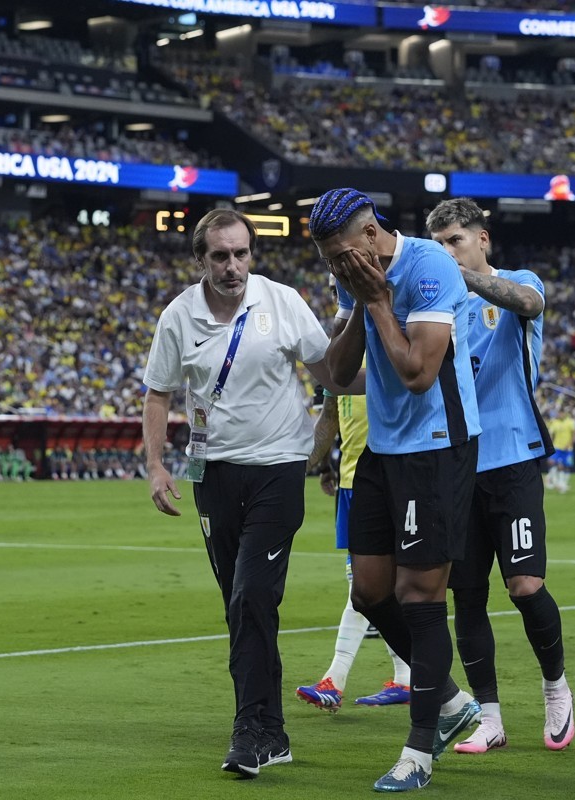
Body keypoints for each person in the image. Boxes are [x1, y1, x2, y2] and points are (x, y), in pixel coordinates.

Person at [142, 208, 347, 780]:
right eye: (220, 256)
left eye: (241, 253)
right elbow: (158, 394)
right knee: (244, 610)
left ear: (251, 253)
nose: (233, 266)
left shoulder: (281, 302)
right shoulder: (179, 316)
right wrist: (157, 465)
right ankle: (271, 731)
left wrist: (391, 367)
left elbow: (329, 373)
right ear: (201, 259)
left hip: (279, 469)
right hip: (213, 475)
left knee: (251, 595)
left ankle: (248, 732)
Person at [311, 187, 481, 793]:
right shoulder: (351, 276)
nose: (335, 266)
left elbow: (416, 374)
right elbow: (336, 374)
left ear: (370, 232)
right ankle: (454, 701)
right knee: (369, 592)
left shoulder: (431, 266)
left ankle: (419, 749)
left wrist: (380, 299)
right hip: (384, 449)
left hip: (439, 445)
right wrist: (359, 300)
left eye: (340, 254)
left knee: (419, 595)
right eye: (329, 260)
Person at [426, 198, 574, 755]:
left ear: (481, 239)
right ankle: (489, 716)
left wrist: (464, 279)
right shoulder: (434, 304)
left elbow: (530, 302)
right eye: (437, 245)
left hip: (512, 455)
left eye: (455, 241)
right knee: (466, 595)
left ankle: (556, 687)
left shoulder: (516, 282)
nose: (446, 253)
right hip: (456, 461)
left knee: (525, 585)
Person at [296, 389, 412, 712]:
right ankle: (405, 676)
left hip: (386, 480)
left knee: (365, 586)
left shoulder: (386, 342)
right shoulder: (341, 349)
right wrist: (320, 467)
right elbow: (331, 417)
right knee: (371, 586)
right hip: (350, 484)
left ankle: (336, 678)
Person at [546, 410, 575, 493]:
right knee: (552, 462)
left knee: (566, 466)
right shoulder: (555, 422)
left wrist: (569, 444)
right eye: (559, 413)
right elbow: (551, 435)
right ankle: (553, 480)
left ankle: (563, 483)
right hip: (557, 447)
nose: (560, 414)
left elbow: (574, 435)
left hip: (568, 448)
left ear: (565, 413)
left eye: (561, 413)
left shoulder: (570, 422)